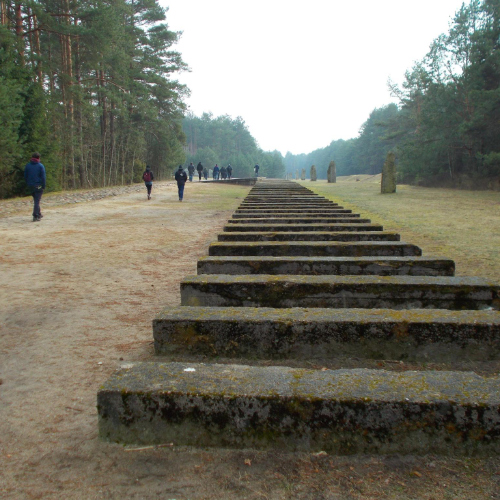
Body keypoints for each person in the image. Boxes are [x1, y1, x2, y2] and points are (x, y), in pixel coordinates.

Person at [24, 152, 46, 222]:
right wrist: (43, 185)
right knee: (37, 200)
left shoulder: (28, 165)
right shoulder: (40, 166)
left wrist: (28, 183)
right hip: (38, 185)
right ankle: (35, 215)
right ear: (38, 158)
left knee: (36, 200)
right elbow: (43, 177)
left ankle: (38, 213)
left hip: (31, 185)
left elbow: (25, 176)